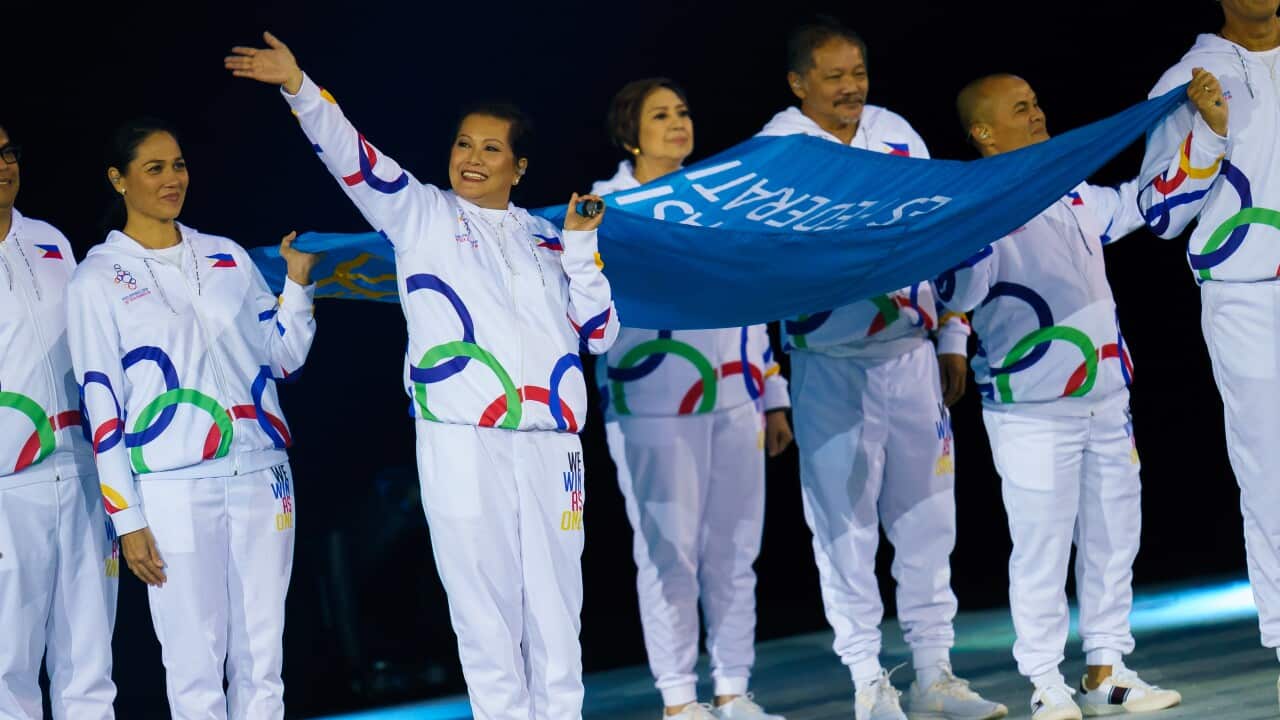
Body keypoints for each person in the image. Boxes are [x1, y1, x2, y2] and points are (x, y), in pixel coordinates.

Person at [226, 32, 618, 720]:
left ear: (519, 166)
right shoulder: (422, 215)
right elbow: (354, 160)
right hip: (464, 438)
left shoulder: (552, 239)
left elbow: (601, 333)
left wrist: (583, 253)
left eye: (491, 148)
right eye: (464, 143)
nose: (471, 158)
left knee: (558, 609)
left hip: (552, 443)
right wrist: (300, 88)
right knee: (483, 605)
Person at [754, 18, 1004, 720]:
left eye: (858, 72)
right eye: (833, 77)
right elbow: (759, 258)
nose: (850, 88)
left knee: (928, 521)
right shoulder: (775, 151)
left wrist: (954, 334)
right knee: (844, 527)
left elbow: (942, 227)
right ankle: (869, 680)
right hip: (827, 363)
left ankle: (935, 675)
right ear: (799, 83)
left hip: (910, 357)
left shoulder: (896, 132)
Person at [942, 72, 1211, 720]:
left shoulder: (1072, 193)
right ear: (984, 133)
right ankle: (1045, 681)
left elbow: (1145, 205)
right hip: (1032, 406)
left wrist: (1210, 135)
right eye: (1020, 108)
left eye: (1036, 101)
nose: (1037, 113)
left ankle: (1106, 671)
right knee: (1041, 546)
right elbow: (956, 294)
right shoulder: (977, 207)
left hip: (1106, 395)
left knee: (1114, 538)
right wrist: (953, 330)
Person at [67, 117, 319, 719]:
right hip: (174, 485)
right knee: (195, 664)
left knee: (263, 660)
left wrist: (298, 288)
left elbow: (283, 357)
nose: (172, 178)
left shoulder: (225, 255)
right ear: (118, 179)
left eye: (177, 164)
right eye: (154, 168)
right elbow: (100, 401)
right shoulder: (96, 279)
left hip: (263, 474)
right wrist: (126, 517)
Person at [592, 78, 794, 720]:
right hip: (650, 398)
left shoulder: (721, 198)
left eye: (683, 111)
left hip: (736, 395)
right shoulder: (604, 206)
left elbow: (752, 297)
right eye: (660, 115)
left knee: (735, 550)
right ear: (630, 134)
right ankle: (680, 700)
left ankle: (733, 689)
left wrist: (773, 394)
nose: (678, 123)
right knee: (667, 553)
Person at [1136, 1, 1280, 709]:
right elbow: (1158, 215)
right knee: (1273, 470)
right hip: (1248, 293)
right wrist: (1208, 136)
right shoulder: (1187, 79)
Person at [0, 125, 118, 719]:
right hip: (6, 489)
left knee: (89, 661)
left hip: (78, 471)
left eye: (7, 152)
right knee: (7, 667)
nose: (3, 165)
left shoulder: (49, 240)